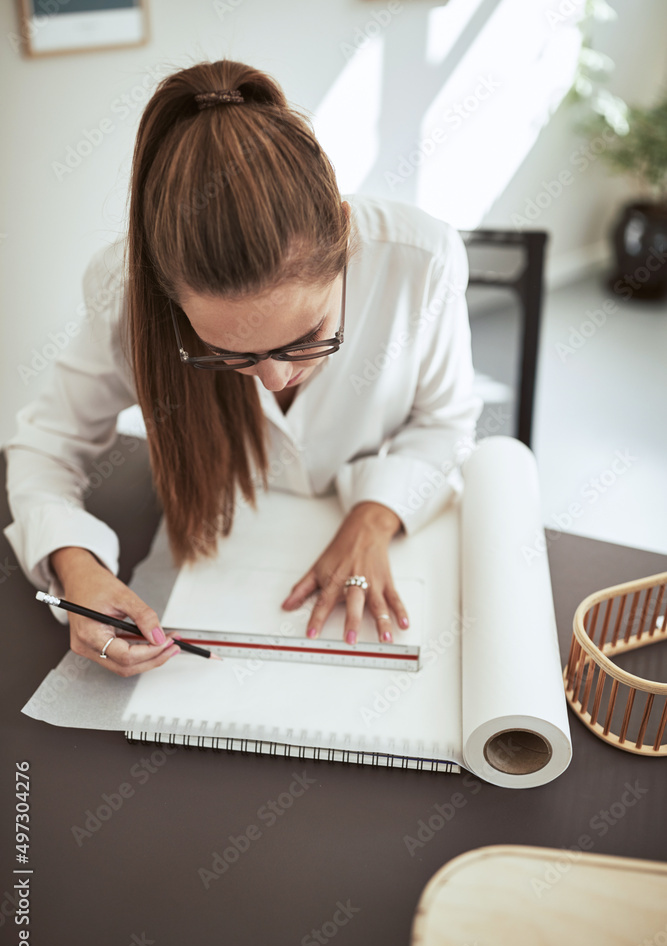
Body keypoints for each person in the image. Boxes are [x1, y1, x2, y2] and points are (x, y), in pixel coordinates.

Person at [4, 59, 483, 678]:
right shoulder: (123, 291)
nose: (279, 379)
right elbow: (43, 447)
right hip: (214, 556)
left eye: (309, 337)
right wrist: (76, 567)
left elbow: (447, 422)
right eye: (231, 354)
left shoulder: (423, 261)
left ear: (345, 241)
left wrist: (376, 516)